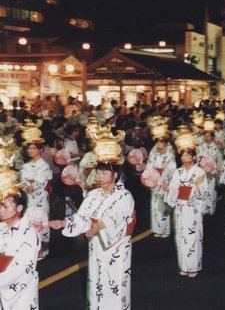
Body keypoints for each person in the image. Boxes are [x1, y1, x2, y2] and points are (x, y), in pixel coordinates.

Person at [49, 129, 135, 310]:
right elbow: (82, 217)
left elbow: (115, 219)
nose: (99, 176)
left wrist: (98, 227)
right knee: (97, 283)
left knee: (114, 286)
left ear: (115, 175)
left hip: (115, 249)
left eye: (105, 173)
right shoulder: (94, 194)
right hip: (96, 246)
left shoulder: (124, 196)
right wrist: (64, 222)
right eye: (98, 172)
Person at [166, 129, 208, 278]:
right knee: (181, 236)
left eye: (188, 155)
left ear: (194, 156)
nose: (184, 157)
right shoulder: (178, 172)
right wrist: (170, 189)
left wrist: (196, 186)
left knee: (192, 236)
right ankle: (184, 265)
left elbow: (202, 192)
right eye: (182, 155)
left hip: (193, 208)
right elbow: (173, 189)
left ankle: (194, 266)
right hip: (181, 207)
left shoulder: (200, 172)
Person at [0, 176, 40, 310]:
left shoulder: (29, 234)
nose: (0, 210)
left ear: (19, 208)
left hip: (21, 290)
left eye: (5, 206)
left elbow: (22, 269)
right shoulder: (1, 227)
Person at [19, 120, 52, 259]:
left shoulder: (44, 166)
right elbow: (23, 184)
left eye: (34, 148)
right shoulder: (26, 166)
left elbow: (33, 187)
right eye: (29, 148)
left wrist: (26, 184)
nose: (31, 151)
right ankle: (30, 249)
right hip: (27, 200)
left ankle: (43, 250)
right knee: (27, 224)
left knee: (41, 224)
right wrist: (26, 184)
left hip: (39, 200)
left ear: (41, 149)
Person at [145, 117, 176, 238]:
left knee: (164, 204)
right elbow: (149, 166)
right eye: (157, 142)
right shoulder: (154, 153)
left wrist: (163, 173)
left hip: (164, 181)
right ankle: (158, 229)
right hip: (154, 181)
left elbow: (172, 168)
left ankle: (165, 229)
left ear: (165, 142)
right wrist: (149, 177)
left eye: (161, 142)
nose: (159, 144)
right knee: (155, 205)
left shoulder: (169, 153)